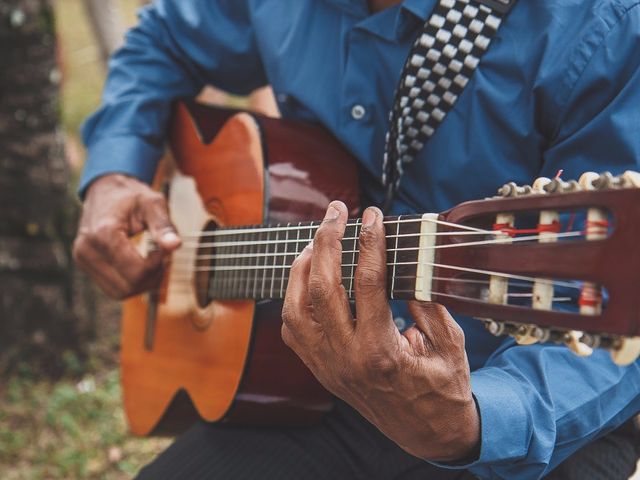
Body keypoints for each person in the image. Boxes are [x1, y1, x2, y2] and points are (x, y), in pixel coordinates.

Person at [73, 0, 640, 478]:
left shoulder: (601, 27)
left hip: (526, 415)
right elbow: (164, 37)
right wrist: (115, 172)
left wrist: (474, 421)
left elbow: (619, 317)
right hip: (316, 390)